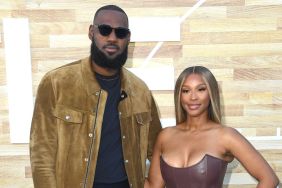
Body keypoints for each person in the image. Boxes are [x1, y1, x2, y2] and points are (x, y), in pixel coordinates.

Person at [29, 5, 162, 188]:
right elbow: (42, 156)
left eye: (120, 33)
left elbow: (157, 149)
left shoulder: (140, 90)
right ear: (92, 32)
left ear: (128, 38)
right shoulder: (56, 83)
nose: (112, 38)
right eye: (105, 30)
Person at [144, 66, 280, 188]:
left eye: (201, 89)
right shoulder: (165, 136)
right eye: (186, 91)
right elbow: (153, 186)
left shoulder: (226, 136)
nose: (193, 97)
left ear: (211, 93)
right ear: (179, 96)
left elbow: (269, 179)